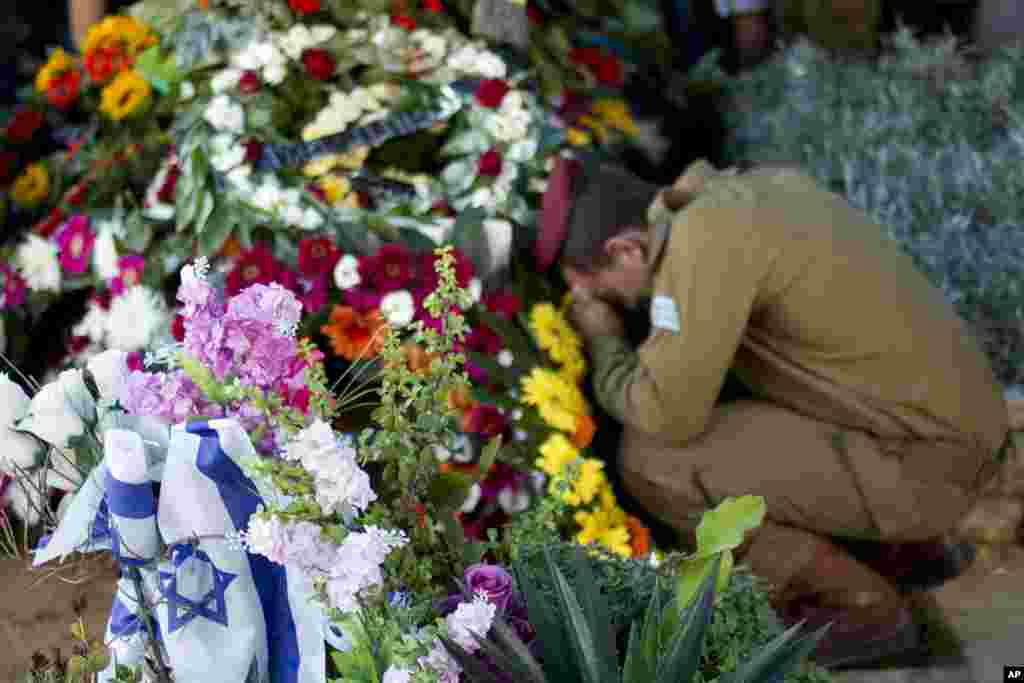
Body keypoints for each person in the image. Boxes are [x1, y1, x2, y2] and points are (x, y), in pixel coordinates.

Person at [536, 157, 1011, 668]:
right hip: (947, 439)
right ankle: (895, 553)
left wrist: (603, 338)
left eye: (600, 291)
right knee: (713, 392)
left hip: (932, 470)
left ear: (626, 249)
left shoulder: (705, 245)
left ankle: (860, 610)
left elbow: (664, 414)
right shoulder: (742, 196)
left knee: (654, 460)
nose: (607, 303)